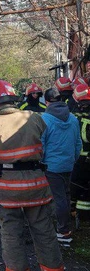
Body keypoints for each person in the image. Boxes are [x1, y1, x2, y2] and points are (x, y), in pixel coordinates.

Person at [0, 80, 64, 271]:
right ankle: (53, 268)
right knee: (44, 231)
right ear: (13, 98)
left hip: (6, 190)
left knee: (11, 234)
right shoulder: (34, 117)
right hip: (36, 184)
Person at [41, 87, 81, 244]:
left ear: (46, 102)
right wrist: (72, 159)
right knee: (65, 195)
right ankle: (65, 228)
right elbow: (78, 144)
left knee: (59, 199)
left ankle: (63, 232)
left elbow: (41, 145)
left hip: (52, 166)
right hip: (68, 164)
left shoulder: (44, 119)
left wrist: (42, 162)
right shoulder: (72, 118)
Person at [70, 84, 90, 226]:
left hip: (78, 158)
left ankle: (76, 213)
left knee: (76, 185)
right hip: (83, 157)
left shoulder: (73, 114)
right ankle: (83, 215)